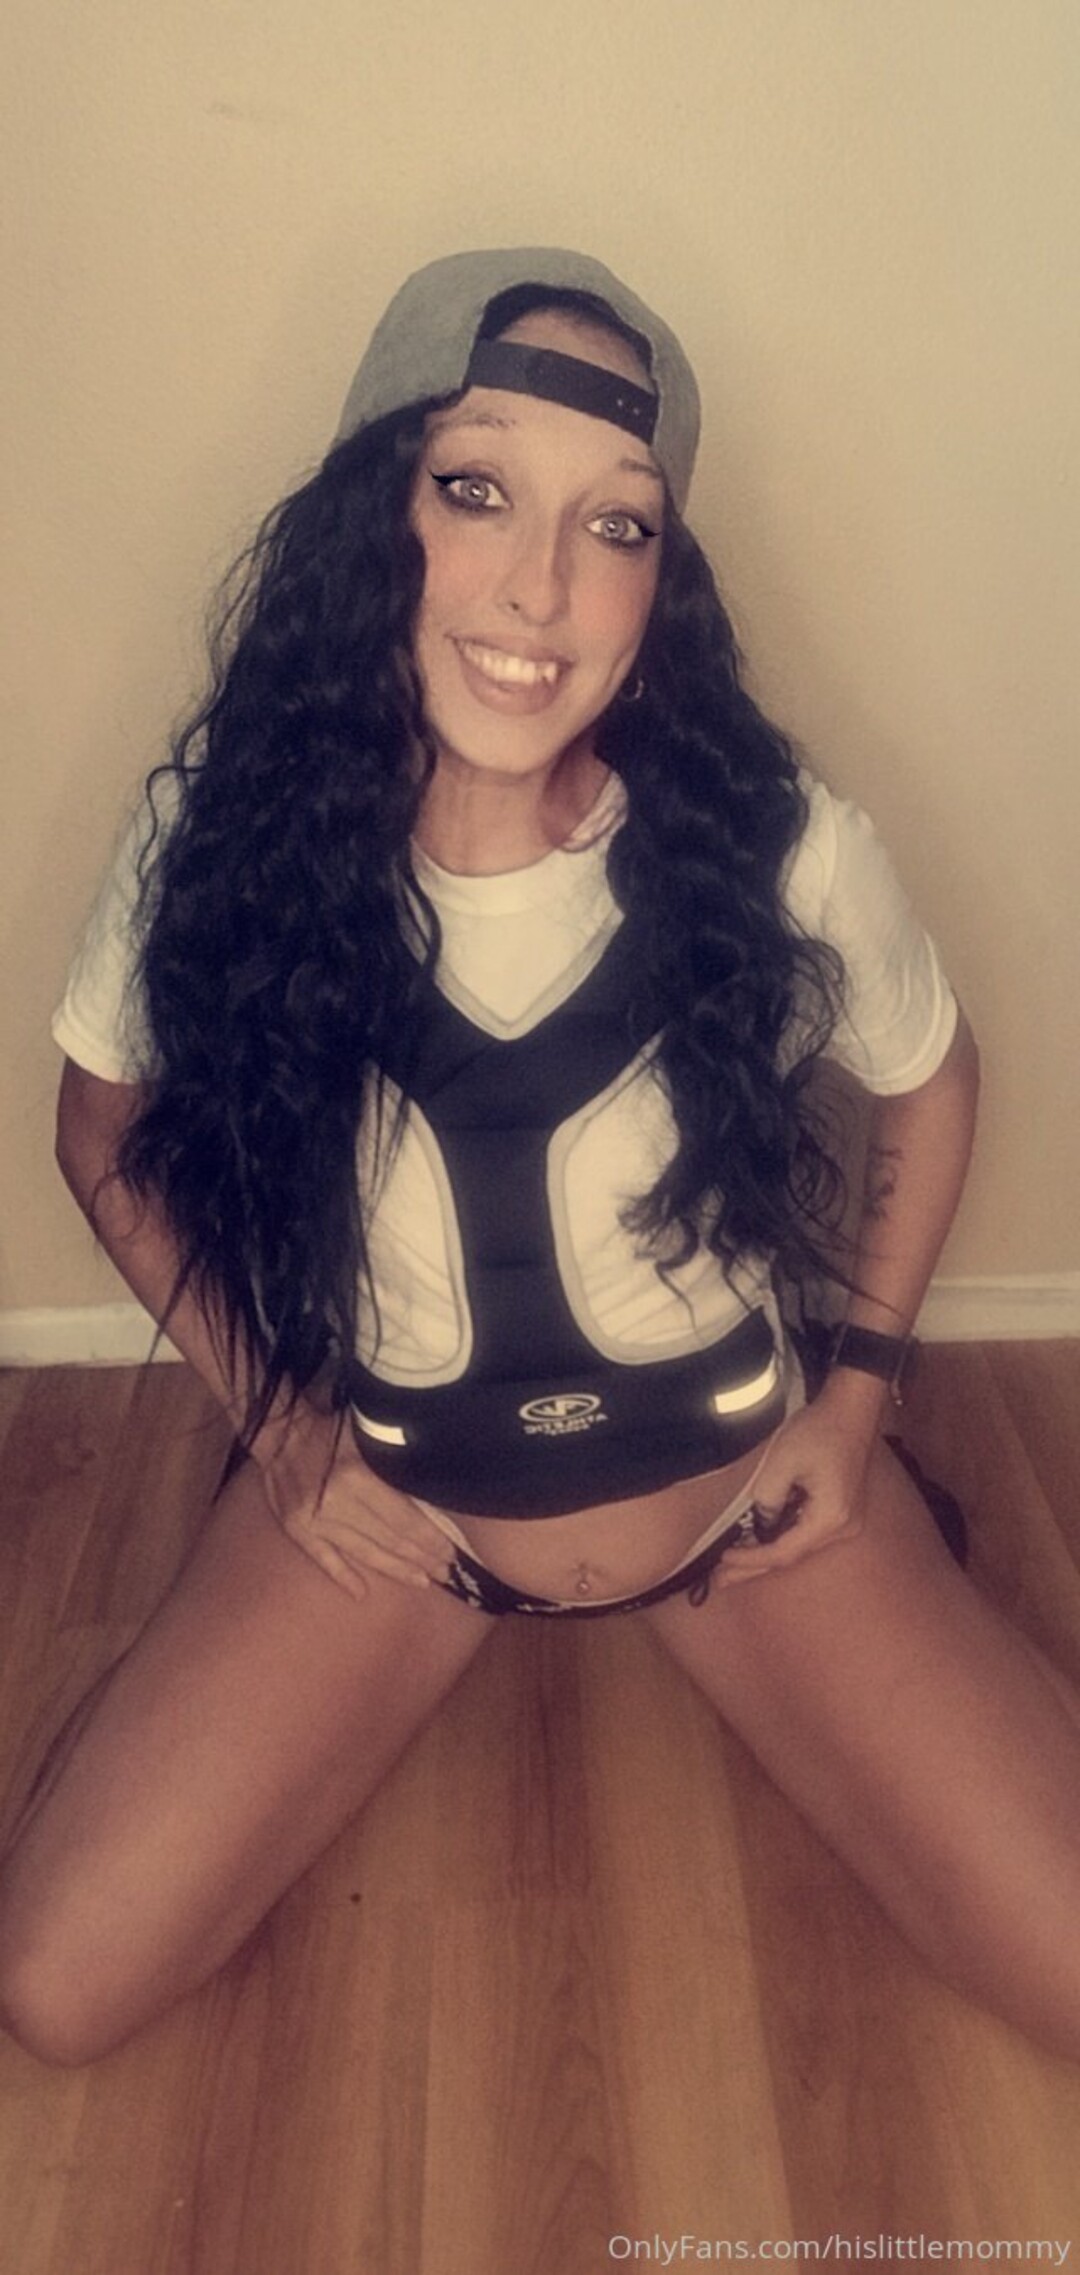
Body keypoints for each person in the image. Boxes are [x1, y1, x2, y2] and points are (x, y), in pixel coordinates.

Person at [2, 247, 1079, 2070]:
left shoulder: (774, 836)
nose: (543, 588)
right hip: (406, 1519)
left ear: (666, 578)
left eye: (619, 525)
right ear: (378, 507)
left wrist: (859, 1399)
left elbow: (936, 1073)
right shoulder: (217, 841)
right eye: (478, 488)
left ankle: (923, 1568)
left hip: (738, 1506)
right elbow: (96, 1126)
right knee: (54, 1994)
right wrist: (278, 1423)